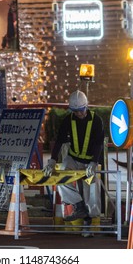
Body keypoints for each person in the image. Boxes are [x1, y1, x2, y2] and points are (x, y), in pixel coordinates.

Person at [42, 90, 104, 236]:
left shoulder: (96, 120)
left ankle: (88, 222)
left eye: (81, 110)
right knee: (61, 176)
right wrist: (52, 160)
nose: (79, 114)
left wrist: (94, 162)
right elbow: (59, 142)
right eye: (75, 111)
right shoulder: (67, 121)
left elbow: (99, 144)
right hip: (73, 159)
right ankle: (78, 205)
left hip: (89, 161)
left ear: (86, 106)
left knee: (90, 192)